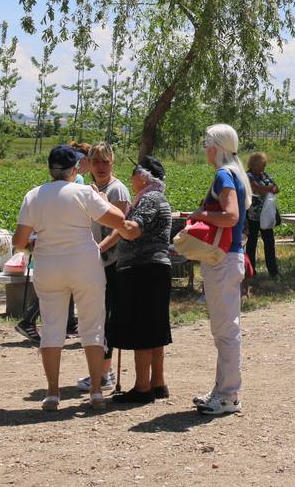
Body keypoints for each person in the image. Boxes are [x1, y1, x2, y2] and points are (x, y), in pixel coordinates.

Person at [12, 145, 128, 412]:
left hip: (48, 265)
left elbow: (19, 240)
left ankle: (52, 393)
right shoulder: (84, 192)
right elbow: (118, 218)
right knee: (93, 325)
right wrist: (100, 198)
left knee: (52, 327)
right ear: (75, 168)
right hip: (85, 264)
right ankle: (97, 391)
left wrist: (34, 246)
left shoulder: (33, 195)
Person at [190, 123, 252, 416]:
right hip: (229, 258)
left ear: (216, 146)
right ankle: (223, 390)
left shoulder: (223, 176)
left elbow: (229, 216)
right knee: (225, 328)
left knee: (225, 330)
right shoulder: (236, 174)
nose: (204, 148)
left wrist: (200, 214)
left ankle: (228, 395)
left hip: (222, 260)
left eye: (206, 143)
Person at [107, 156, 174, 404]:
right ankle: (158, 382)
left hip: (142, 269)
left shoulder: (148, 199)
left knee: (142, 328)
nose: (131, 177)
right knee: (155, 328)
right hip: (154, 269)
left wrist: (109, 213)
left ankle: (142, 387)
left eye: (134, 173)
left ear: (144, 177)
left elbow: (133, 230)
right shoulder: (157, 197)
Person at [88, 143, 130, 391]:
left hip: (112, 263)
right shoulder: (91, 189)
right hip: (94, 262)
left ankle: (106, 372)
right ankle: (99, 370)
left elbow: (120, 228)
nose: (101, 167)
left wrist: (99, 248)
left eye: (105, 161)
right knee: (95, 317)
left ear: (112, 162)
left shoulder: (118, 191)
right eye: (96, 162)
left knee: (106, 317)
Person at [245, 151, 280, 278]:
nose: (264, 167)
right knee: (251, 243)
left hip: (266, 215)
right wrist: (269, 188)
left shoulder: (264, 174)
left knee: (270, 243)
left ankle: (273, 271)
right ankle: (251, 271)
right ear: (254, 164)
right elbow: (256, 188)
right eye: (262, 164)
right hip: (253, 215)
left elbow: (277, 188)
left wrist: (269, 188)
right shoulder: (248, 175)